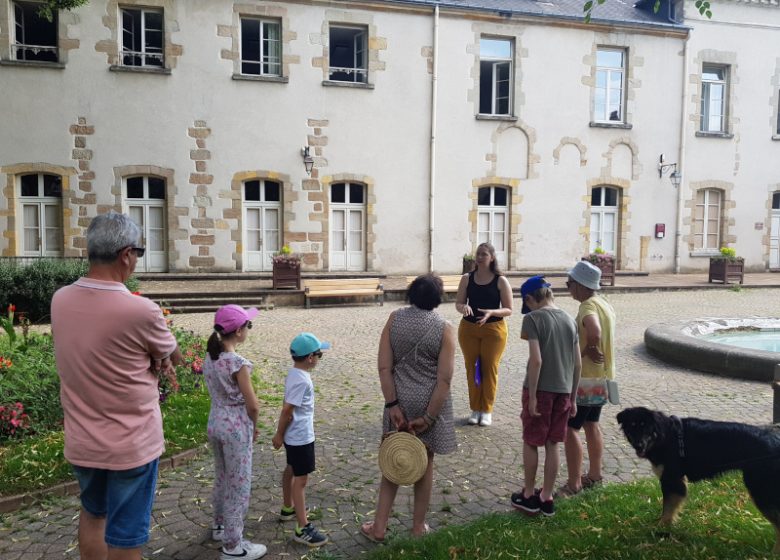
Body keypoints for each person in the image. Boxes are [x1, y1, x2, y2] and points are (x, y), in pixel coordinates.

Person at [51, 211, 182, 560]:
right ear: (126, 255)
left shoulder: (60, 300)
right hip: (130, 444)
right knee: (126, 536)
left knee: (93, 513)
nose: (137, 260)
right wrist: (158, 359)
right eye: (138, 253)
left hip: (83, 441)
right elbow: (174, 354)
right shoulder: (140, 310)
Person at [360, 274, 456, 543]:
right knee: (424, 464)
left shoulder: (395, 318)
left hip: (399, 398)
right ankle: (418, 526)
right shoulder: (444, 327)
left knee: (393, 460)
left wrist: (392, 404)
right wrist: (429, 416)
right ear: (438, 298)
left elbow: (383, 366)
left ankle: (378, 528)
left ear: (412, 293)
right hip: (429, 401)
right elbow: (445, 379)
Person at [510, 276, 581, 517]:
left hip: (539, 390)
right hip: (563, 391)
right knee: (553, 444)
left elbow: (537, 360)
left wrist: (531, 397)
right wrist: (572, 398)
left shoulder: (532, 319)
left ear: (530, 299)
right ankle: (547, 497)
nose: (527, 309)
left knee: (531, 441)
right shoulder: (570, 320)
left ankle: (529, 495)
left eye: (526, 304)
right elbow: (577, 364)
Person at [204, 304, 267, 560]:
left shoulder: (212, 357)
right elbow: (252, 404)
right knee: (238, 483)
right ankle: (233, 546)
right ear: (239, 331)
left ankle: (219, 525)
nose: (249, 330)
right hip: (236, 427)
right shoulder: (238, 364)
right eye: (248, 326)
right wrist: (255, 425)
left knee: (222, 476)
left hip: (215, 421)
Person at [558, 260, 616, 497]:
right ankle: (594, 474)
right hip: (602, 378)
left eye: (570, 283)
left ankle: (574, 483)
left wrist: (589, 347)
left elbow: (594, 331)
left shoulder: (587, 306)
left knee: (569, 429)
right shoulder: (605, 304)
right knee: (592, 424)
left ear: (581, 285)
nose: (568, 287)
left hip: (585, 380)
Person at [272, 332, 331, 547]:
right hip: (300, 437)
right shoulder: (302, 381)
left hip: (293, 436)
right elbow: (287, 410)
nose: (319, 358)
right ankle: (302, 527)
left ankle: (288, 507)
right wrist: (279, 434)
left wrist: (282, 434)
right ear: (310, 358)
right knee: (301, 480)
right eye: (319, 355)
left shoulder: (295, 374)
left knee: (291, 468)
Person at [455, 242, 513, 426]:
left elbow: (509, 309)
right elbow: (458, 303)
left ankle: (487, 409)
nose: (480, 257)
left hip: (494, 331)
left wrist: (491, 312)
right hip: (469, 329)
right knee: (473, 369)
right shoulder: (467, 278)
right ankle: (475, 408)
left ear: (492, 258)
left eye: (484, 254)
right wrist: (463, 307)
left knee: (489, 369)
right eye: (478, 254)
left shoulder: (500, 280)